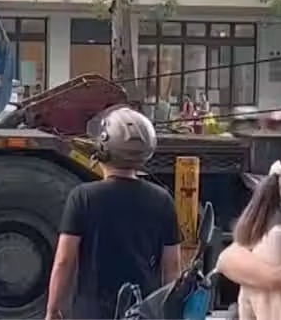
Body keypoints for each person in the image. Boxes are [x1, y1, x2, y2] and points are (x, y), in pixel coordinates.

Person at [46, 105, 182, 320]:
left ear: (102, 149)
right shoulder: (162, 199)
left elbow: (64, 261)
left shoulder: (83, 197)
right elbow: (172, 266)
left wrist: (52, 310)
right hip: (143, 311)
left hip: (92, 313)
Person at [218, 133, 281, 320]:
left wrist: (274, 278)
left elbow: (227, 258)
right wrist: (276, 277)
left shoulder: (268, 244)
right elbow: (227, 259)